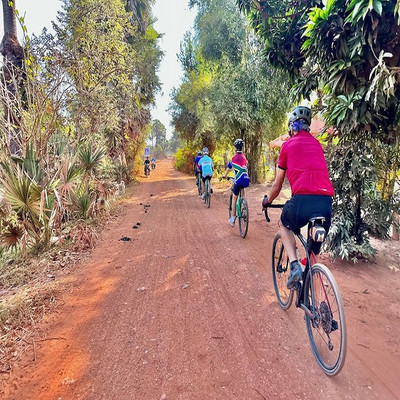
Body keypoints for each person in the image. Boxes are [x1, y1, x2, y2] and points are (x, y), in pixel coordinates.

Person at [262, 106, 334, 289]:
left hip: (302, 201)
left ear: (291, 128)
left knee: (285, 225)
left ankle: (294, 266)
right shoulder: (317, 144)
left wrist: (268, 201)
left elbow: (277, 185)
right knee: (312, 249)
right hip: (326, 203)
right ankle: (310, 283)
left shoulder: (287, 145)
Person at [224, 139, 250, 227]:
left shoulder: (233, 159)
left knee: (234, 198)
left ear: (235, 148)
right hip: (246, 180)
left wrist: (225, 175)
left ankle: (233, 218)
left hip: (238, 181)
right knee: (243, 193)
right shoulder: (245, 158)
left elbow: (228, 169)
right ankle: (244, 205)